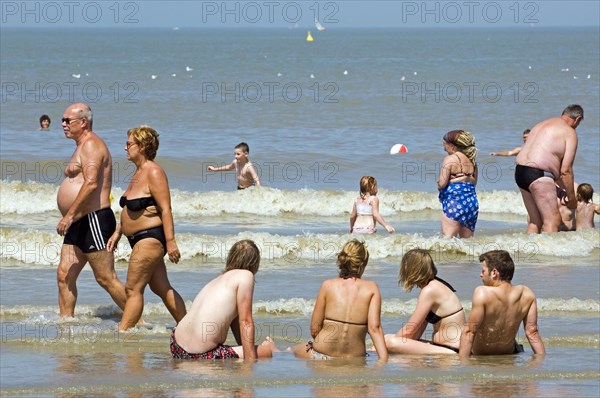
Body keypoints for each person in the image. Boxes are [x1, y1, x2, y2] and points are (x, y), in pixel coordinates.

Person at [106, 126, 187, 331]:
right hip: (138, 239)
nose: (125, 147)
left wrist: (171, 242)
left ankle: (123, 333)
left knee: (133, 289)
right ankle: (189, 327)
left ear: (142, 146)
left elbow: (165, 208)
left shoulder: (154, 171)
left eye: (129, 144)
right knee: (160, 287)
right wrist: (118, 232)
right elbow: (129, 211)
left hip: (150, 238)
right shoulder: (138, 172)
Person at [56, 103, 127, 318]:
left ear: (83, 122)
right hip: (78, 221)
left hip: (93, 219)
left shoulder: (91, 145)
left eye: (68, 120)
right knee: (64, 275)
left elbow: (91, 184)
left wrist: (68, 215)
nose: (63, 124)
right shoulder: (81, 146)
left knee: (105, 277)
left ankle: (138, 320)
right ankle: (66, 323)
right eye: (63, 120)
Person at [171, 240, 278, 361]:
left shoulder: (219, 279)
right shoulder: (246, 275)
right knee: (267, 352)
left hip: (176, 346)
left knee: (252, 349)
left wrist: (244, 347)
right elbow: (246, 321)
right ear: (255, 263)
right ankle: (273, 349)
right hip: (198, 354)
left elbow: (235, 321)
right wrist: (250, 360)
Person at [290, 239, 388, 361]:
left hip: (322, 356)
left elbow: (315, 329)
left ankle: (274, 351)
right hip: (354, 360)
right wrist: (384, 360)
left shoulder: (328, 285)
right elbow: (375, 328)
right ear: (362, 265)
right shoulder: (372, 288)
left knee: (292, 350)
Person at [459, 250, 545, 357]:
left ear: (494, 273)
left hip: (481, 357)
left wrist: (462, 365)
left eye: (483, 271)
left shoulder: (483, 292)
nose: (481, 275)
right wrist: (542, 361)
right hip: (508, 355)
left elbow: (469, 332)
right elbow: (532, 333)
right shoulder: (526, 294)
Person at [515, 104, 583, 233]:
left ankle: (529, 250)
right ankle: (548, 253)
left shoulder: (541, 124)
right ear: (577, 119)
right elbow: (566, 170)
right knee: (553, 222)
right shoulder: (569, 132)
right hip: (539, 173)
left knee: (535, 221)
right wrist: (572, 198)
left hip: (520, 171)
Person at [384, 249, 465, 354]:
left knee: (389, 342)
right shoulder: (435, 285)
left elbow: (409, 331)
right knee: (387, 338)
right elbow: (417, 331)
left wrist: (382, 346)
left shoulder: (429, 290)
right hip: (445, 348)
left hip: (451, 350)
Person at [438, 130, 479, 238]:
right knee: (467, 242)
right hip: (471, 203)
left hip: (454, 202)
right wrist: (460, 179)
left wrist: (450, 181)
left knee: (447, 239)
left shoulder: (449, 159)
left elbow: (441, 184)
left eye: (444, 145)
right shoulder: (472, 161)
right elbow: (473, 182)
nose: (444, 149)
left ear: (452, 146)